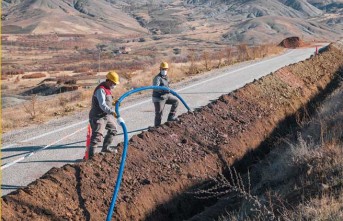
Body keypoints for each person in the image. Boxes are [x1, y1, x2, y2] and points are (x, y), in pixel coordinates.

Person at [88, 71, 120, 159]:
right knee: (97, 137)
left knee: (113, 129)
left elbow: (107, 101)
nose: (114, 85)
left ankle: (106, 148)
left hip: (105, 115)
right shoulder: (101, 89)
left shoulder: (108, 89)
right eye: (114, 83)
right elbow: (102, 104)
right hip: (98, 116)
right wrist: (112, 112)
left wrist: (114, 103)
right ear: (109, 81)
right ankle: (91, 157)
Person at [152, 61, 179, 126]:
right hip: (158, 97)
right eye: (163, 69)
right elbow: (155, 88)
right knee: (159, 113)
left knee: (176, 101)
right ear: (160, 69)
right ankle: (157, 127)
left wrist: (169, 91)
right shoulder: (157, 78)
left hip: (165, 96)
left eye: (165, 69)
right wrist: (163, 89)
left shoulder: (166, 77)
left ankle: (171, 117)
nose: (164, 70)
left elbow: (168, 86)